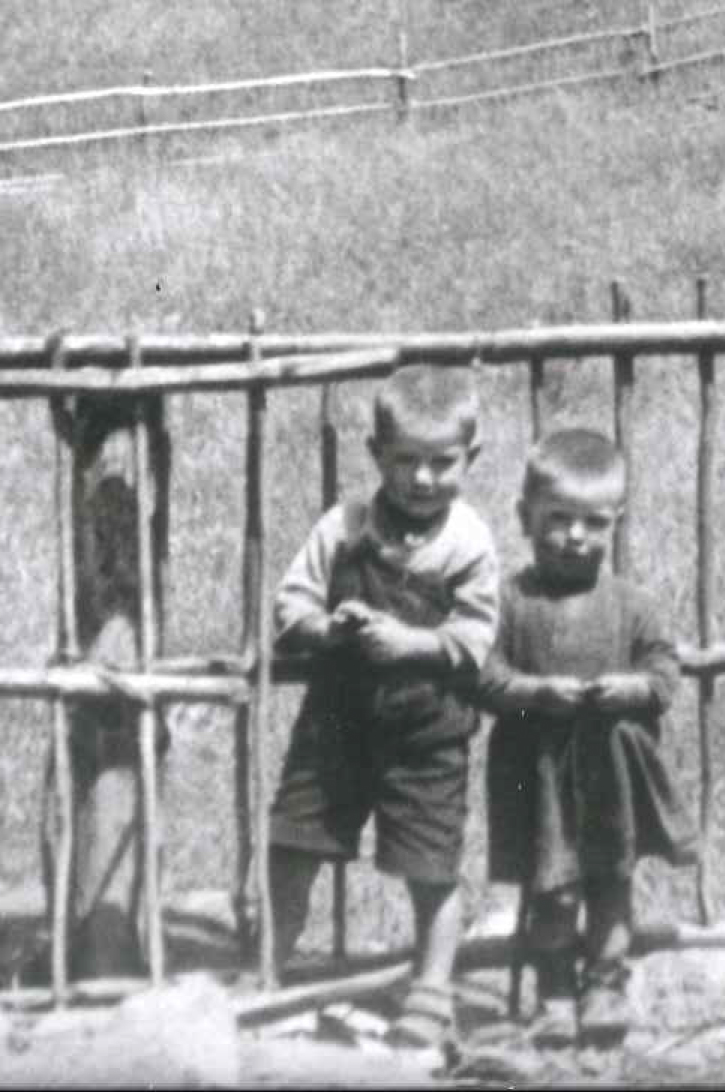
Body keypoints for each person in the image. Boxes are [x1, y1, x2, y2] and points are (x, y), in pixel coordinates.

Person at [264, 362, 498, 1053]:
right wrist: (327, 628)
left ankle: (431, 990)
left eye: (441, 463)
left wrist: (412, 643)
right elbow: (291, 604)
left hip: (427, 732)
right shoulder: (345, 526)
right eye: (405, 461)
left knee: (431, 863)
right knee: (293, 844)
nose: (422, 479)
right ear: (376, 454)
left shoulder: (468, 541)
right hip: (336, 726)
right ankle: (269, 972)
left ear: (471, 457)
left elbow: (478, 637)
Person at [475, 426, 688, 1048]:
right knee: (553, 889)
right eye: (558, 519)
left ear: (616, 522)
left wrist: (631, 688)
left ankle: (605, 984)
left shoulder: (631, 605)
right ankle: (555, 994)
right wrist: (536, 692)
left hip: (609, 775)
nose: (575, 536)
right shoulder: (509, 602)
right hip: (538, 772)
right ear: (525, 517)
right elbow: (484, 676)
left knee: (611, 880)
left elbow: (664, 673)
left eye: (593, 523)